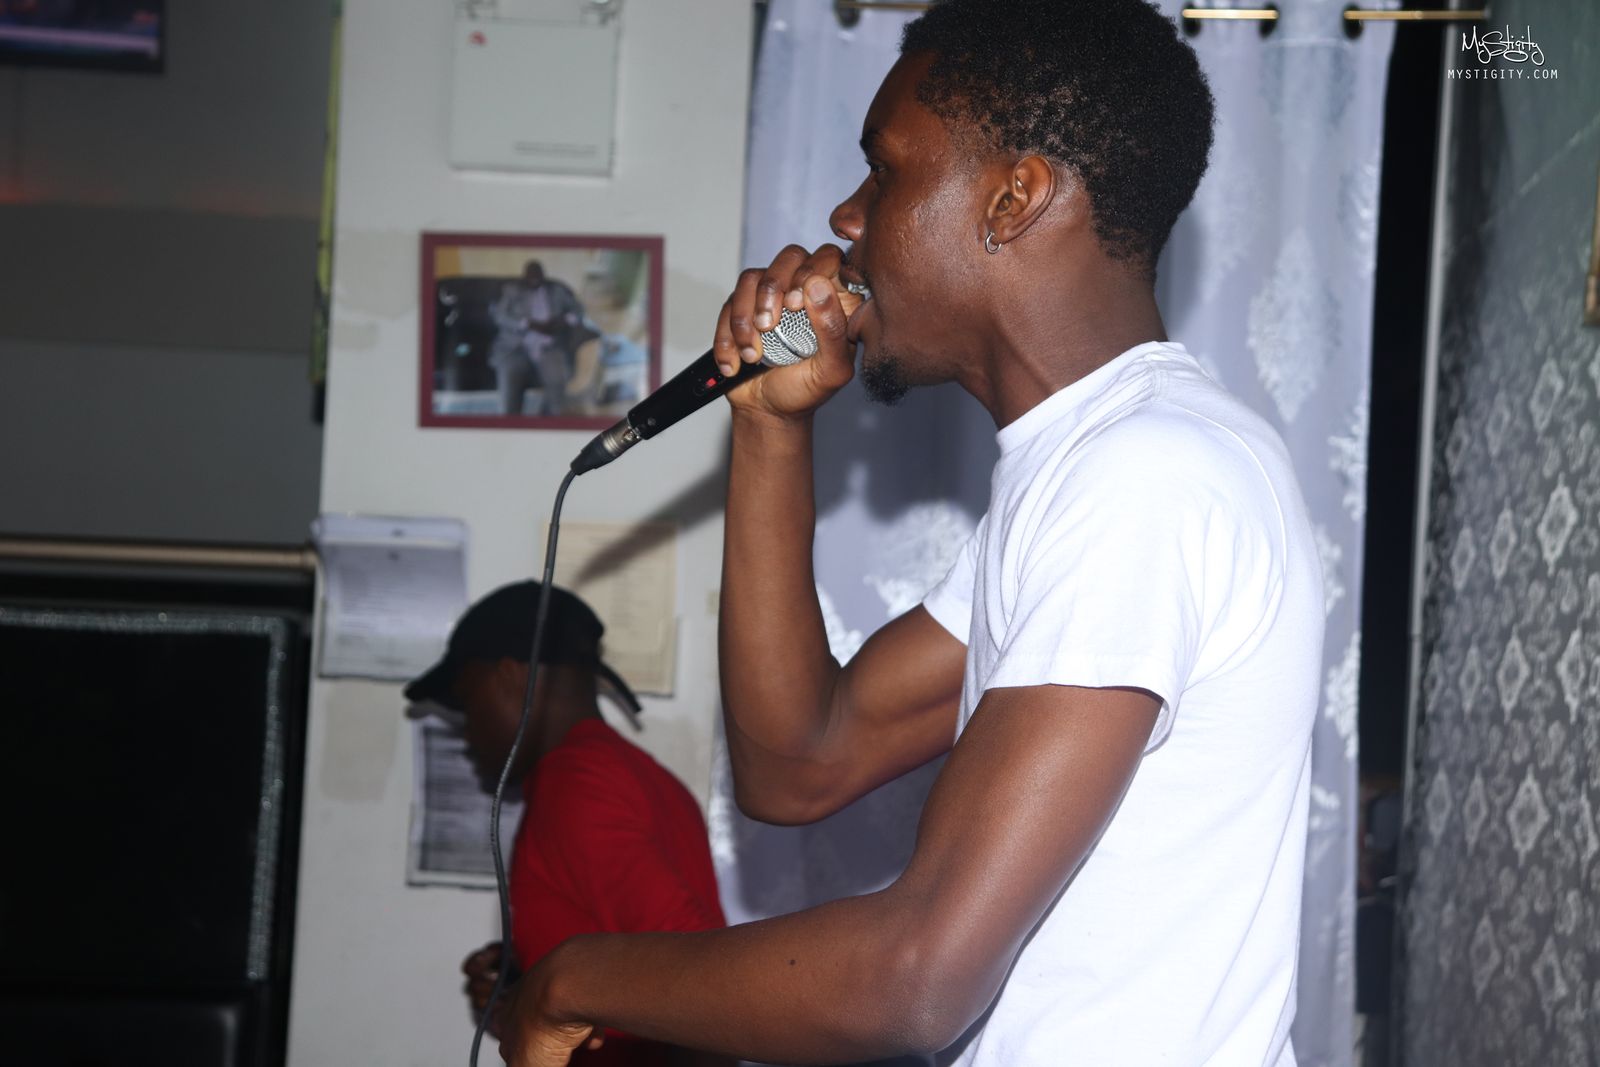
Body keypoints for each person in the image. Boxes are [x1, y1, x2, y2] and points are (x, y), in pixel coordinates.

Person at [498, 1, 1324, 1064]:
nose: (847, 216)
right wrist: (769, 427)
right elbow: (801, 762)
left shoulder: (1146, 475)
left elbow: (917, 976)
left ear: (1012, 199)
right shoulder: (1092, 469)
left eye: (884, 172)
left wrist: (572, 979)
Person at [404, 581, 728, 1066]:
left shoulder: (576, 786)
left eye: (467, 704)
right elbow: (637, 954)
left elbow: (703, 983)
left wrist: (540, 999)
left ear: (511, 676)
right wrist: (524, 987)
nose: (467, 733)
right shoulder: (641, 775)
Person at [490, 261, 585, 416]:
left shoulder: (557, 290)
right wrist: (527, 324)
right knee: (509, 399)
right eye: (531, 274)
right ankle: (510, 423)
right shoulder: (511, 290)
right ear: (524, 276)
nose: (534, 277)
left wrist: (564, 320)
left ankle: (545, 422)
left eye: (538, 273)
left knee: (557, 395)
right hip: (514, 347)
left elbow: (578, 311)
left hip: (548, 346)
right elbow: (499, 316)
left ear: (543, 275)